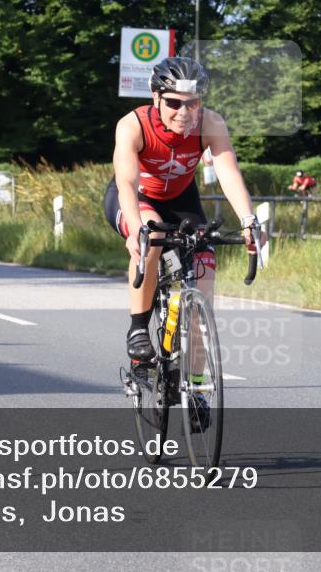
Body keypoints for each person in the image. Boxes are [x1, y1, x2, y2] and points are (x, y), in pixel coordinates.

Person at [104, 56, 265, 429]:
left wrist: (249, 220)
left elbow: (227, 171)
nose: (184, 112)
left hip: (181, 200)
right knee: (152, 232)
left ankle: (195, 388)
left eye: (192, 103)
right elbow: (126, 182)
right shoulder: (133, 125)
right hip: (136, 199)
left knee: (204, 270)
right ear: (155, 96)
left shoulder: (210, 123)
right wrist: (134, 228)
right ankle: (138, 328)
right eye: (174, 102)